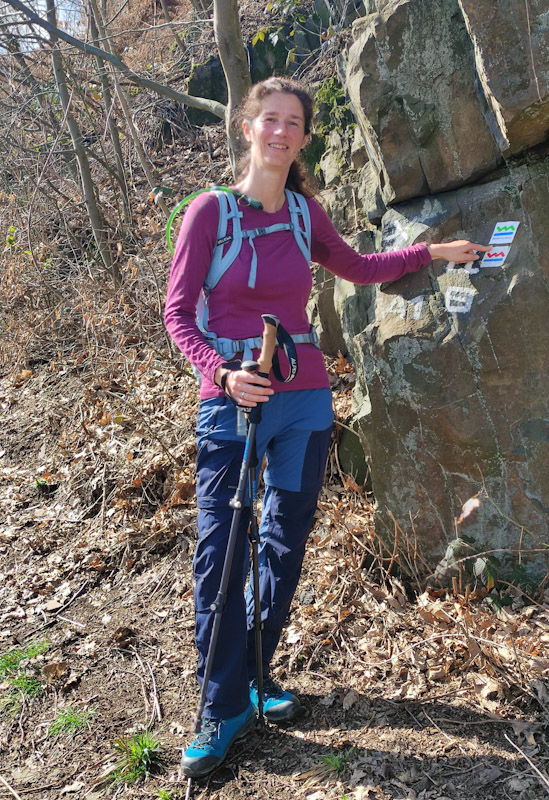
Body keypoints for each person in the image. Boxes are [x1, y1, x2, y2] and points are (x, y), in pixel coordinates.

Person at [164, 76, 489, 778]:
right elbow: (178, 315)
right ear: (247, 127)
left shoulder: (304, 214)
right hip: (232, 405)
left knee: (282, 545)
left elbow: (356, 265)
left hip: (305, 400)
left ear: (304, 137)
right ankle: (220, 705)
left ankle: (254, 672)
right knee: (220, 553)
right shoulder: (209, 213)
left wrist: (430, 254)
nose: (280, 132)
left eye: (293, 123)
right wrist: (220, 374)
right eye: (269, 119)